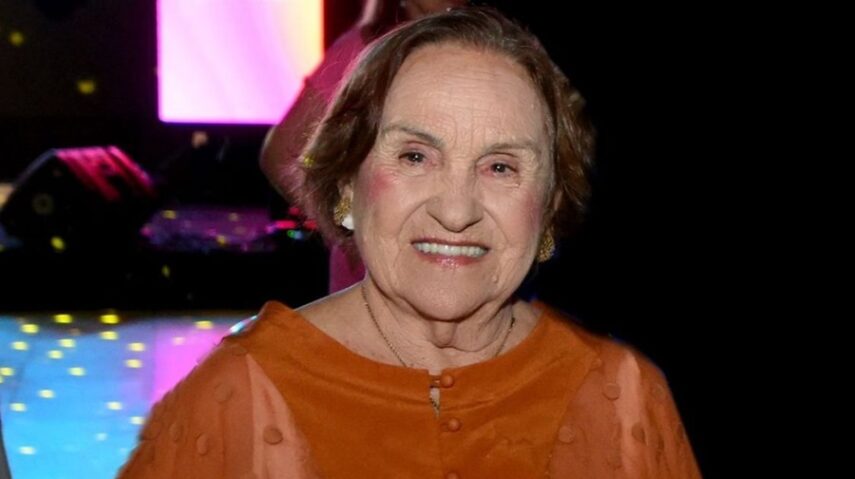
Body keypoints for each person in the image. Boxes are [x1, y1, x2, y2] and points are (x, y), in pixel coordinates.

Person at [118, 8, 702, 478]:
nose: (456, 211)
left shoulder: (623, 396)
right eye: (415, 156)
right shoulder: (237, 396)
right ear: (347, 184)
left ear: (549, 207)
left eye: (501, 166)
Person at [260, 0, 467, 294]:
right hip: (370, 287)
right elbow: (281, 154)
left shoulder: (488, 49)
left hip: (461, 269)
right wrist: (346, 227)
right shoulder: (363, 50)